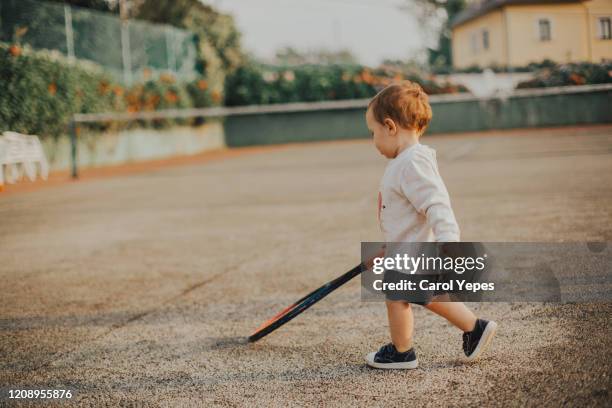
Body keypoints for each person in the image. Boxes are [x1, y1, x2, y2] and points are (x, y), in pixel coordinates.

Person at [364, 81, 497, 369]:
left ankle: (402, 352)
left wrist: (449, 241)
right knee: (429, 296)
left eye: (372, 132)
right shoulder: (407, 161)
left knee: (396, 296)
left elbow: (437, 204)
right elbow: (407, 218)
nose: (373, 140)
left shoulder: (411, 163)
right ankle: (475, 327)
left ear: (390, 126)